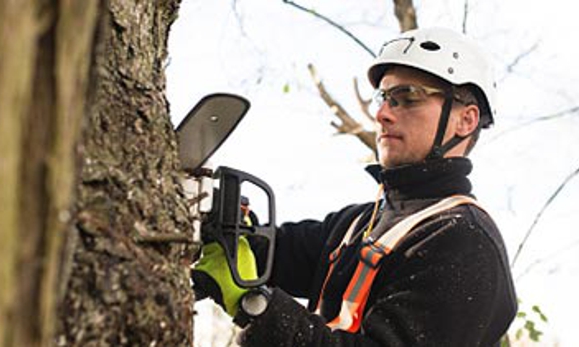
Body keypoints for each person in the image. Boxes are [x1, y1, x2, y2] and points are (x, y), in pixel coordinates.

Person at [192, 27, 518, 347]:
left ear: (466, 120)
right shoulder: (359, 223)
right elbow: (276, 252)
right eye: (385, 98)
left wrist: (255, 306)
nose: (382, 114)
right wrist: (225, 224)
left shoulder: (464, 242)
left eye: (408, 97)